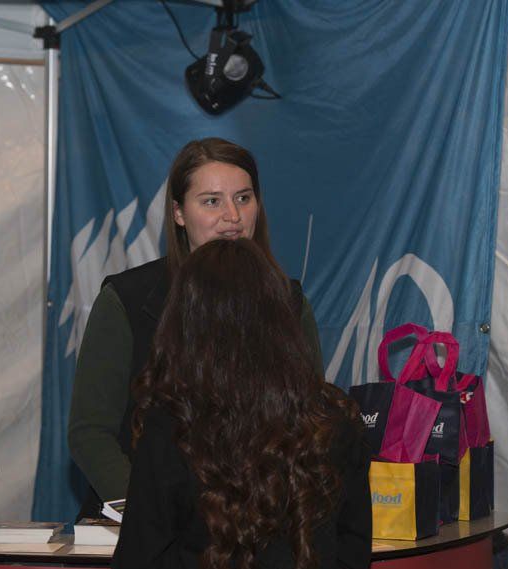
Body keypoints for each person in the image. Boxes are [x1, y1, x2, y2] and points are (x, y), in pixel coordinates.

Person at [111, 238, 371, 569]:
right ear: (281, 317)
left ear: (184, 321)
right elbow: (355, 559)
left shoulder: (172, 428)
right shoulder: (334, 420)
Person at [69, 137, 322, 518]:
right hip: (147, 531)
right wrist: (151, 512)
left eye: (243, 198)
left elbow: (311, 423)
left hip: (258, 529)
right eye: (211, 201)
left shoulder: (288, 304)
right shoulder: (129, 300)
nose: (232, 216)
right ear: (179, 213)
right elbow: (90, 433)